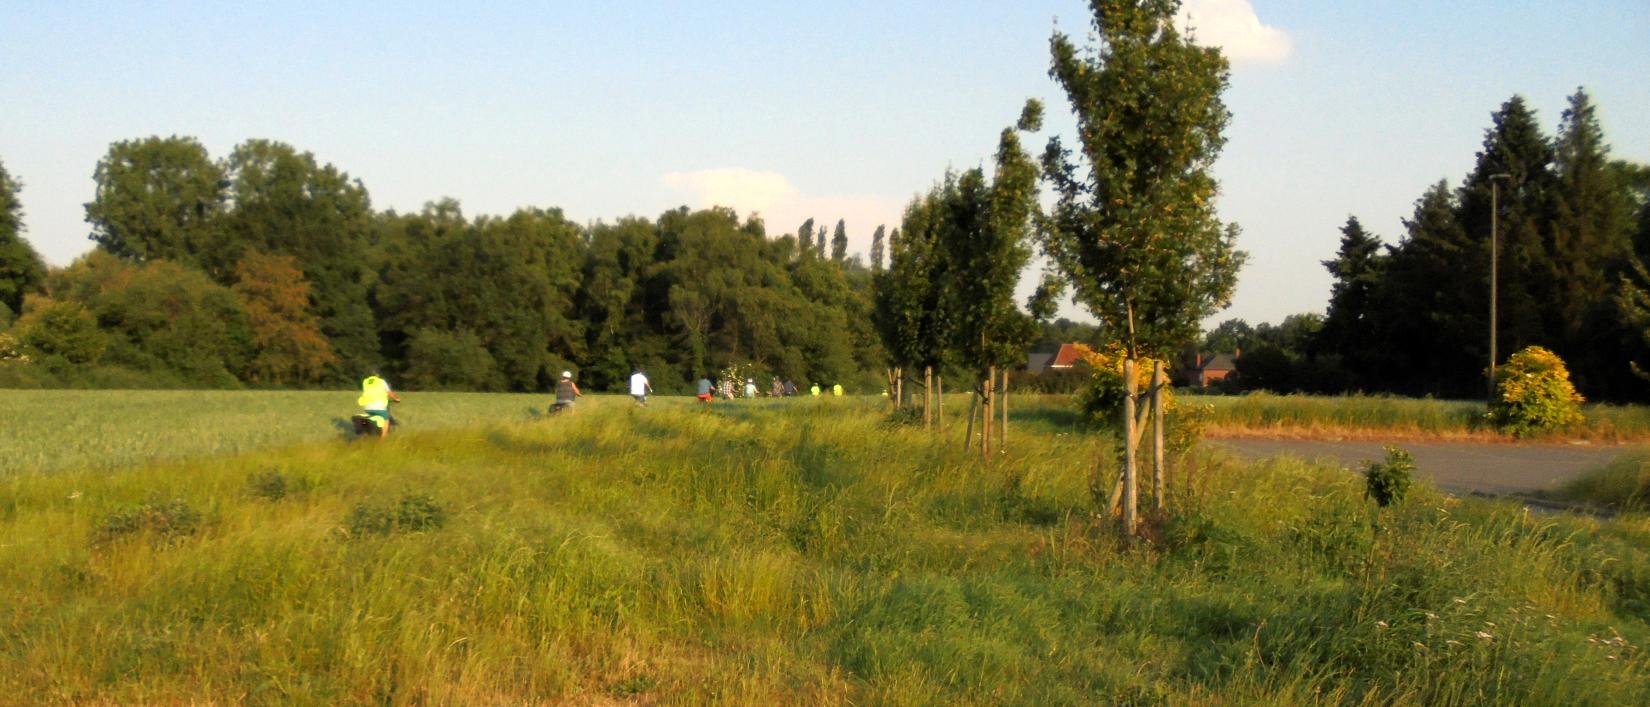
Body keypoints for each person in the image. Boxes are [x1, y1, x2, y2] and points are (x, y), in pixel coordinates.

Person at [358, 370, 402, 438]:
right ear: (377, 375)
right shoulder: (381, 381)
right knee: (386, 418)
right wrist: (396, 399)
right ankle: (383, 438)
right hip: (378, 406)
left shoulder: (365, 381)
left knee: (370, 418)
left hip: (367, 406)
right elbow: (389, 393)